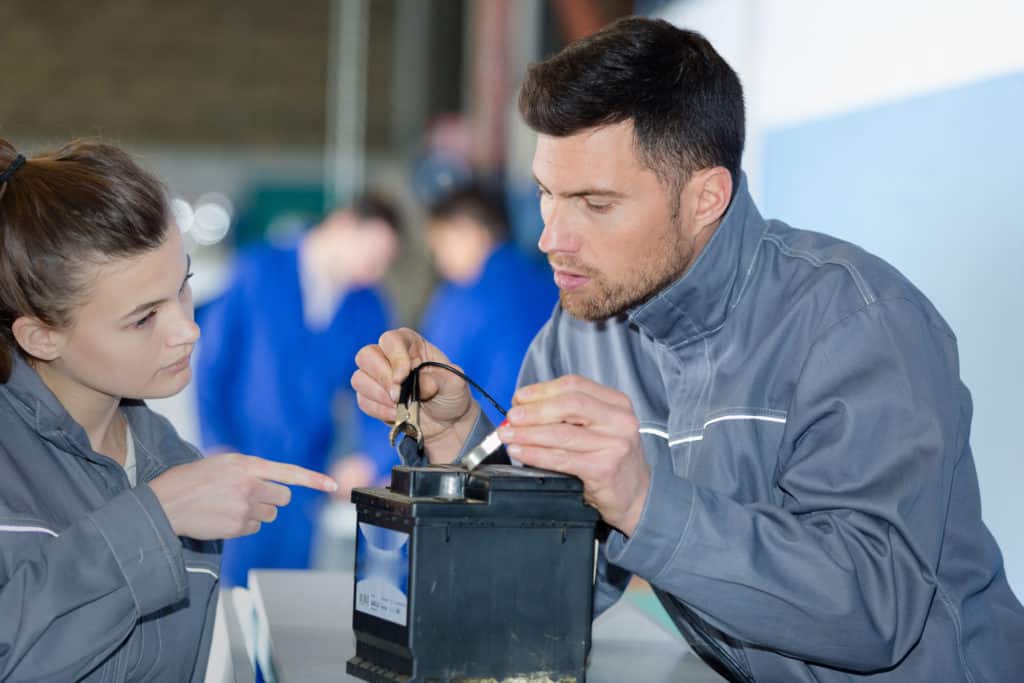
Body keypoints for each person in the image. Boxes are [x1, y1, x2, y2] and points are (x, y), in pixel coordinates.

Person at [351, 17, 1024, 682]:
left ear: (705, 198)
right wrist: (455, 438)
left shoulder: (859, 325)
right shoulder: (579, 332)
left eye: (595, 203)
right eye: (547, 195)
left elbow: (879, 610)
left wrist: (645, 502)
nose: (552, 237)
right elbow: (543, 582)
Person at [0, 139, 336, 681]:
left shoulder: (172, 461)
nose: (188, 330)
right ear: (41, 335)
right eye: (143, 318)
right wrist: (154, 520)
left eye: (183, 289)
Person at [195, 194, 402, 586]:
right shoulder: (257, 270)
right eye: (371, 255)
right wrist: (217, 445)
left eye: (384, 263)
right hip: (243, 463)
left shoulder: (367, 305)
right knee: (227, 594)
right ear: (343, 224)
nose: (374, 271)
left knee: (284, 597)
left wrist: (370, 456)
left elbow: (379, 391)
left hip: (305, 475)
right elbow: (212, 367)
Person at [420, 184, 557, 422]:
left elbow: (429, 382)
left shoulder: (467, 297)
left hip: (484, 443)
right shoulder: (547, 283)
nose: (441, 262)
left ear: (470, 231)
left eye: (442, 246)